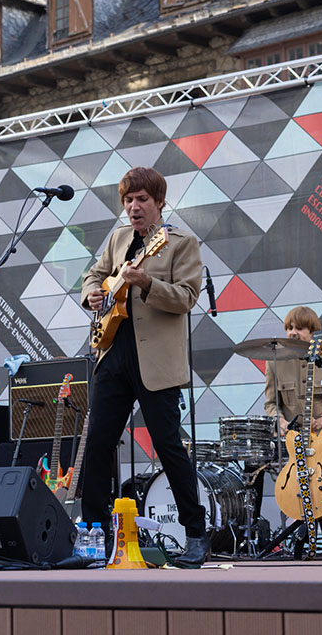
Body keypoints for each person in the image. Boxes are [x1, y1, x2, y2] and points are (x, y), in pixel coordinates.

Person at [80, 166, 211, 565]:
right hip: (112, 353)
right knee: (98, 444)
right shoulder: (118, 238)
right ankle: (94, 534)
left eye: (141, 200)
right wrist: (92, 294)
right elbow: (94, 276)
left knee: (168, 446)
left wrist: (146, 283)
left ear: (159, 203)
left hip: (156, 361)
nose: (133, 207)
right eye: (128, 200)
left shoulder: (181, 243)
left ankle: (196, 533)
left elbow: (186, 297)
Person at [263, 305, 322, 458]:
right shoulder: (274, 362)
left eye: (299, 328)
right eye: (289, 328)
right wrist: (280, 421)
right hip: (290, 438)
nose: (293, 333)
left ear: (313, 332)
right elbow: (271, 403)